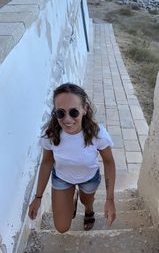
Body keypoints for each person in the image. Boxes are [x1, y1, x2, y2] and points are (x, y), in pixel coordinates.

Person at [28, 83, 116, 232]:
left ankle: (89, 210)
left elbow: (108, 162)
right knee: (62, 227)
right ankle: (71, 197)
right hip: (62, 178)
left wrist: (110, 199)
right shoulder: (50, 134)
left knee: (86, 200)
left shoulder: (98, 134)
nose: (67, 119)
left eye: (74, 112)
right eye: (60, 113)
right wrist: (38, 197)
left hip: (88, 177)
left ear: (85, 109)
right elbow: (47, 162)